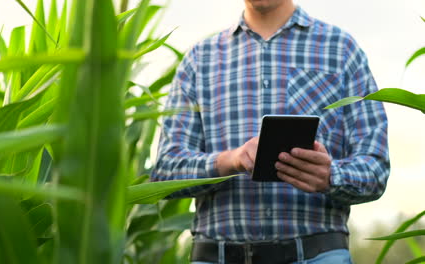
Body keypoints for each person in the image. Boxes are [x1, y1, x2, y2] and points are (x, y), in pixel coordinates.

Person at [151, 0, 390, 263]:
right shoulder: (199, 59)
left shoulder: (341, 50)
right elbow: (164, 172)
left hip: (318, 255)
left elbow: (375, 168)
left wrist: (331, 176)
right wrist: (230, 160)